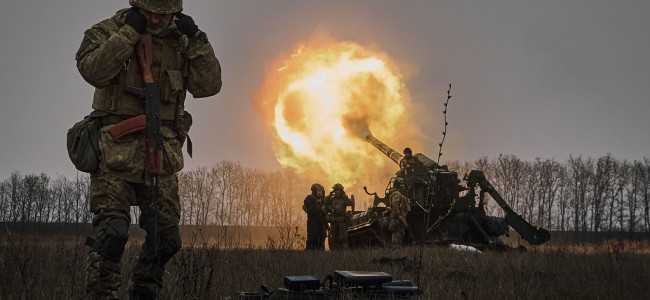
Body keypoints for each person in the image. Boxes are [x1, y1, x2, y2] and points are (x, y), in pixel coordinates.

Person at [75, 0, 221, 299]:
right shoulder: (108, 31)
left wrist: (197, 40)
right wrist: (129, 32)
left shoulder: (182, 41)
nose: (156, 20)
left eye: (163, 14)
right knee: (112, 236)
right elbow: (93, 71)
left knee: (166, 241)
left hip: (162, 155)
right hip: (115, 155)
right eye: (150, 13)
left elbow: (209, 85)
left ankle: (143, 292)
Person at [324, 183, 354, 250]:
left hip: (342, 221)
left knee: (342, 237)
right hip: (333, 220)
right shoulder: (331, 199)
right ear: (334, 191)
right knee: (334, 238)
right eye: (336, 190)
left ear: (341, 190)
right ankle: (335, 252)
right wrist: (329, 195)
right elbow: (325, 203)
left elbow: (350, 203)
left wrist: (345, 196)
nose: (337, 192)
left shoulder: (344, 198)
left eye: (339, 190)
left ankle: (344, 252)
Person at [303, 183, 327, 250]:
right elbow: (310, 210)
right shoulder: (309, 199)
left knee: (322, 237)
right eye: (318, 191)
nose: (320, 193)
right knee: (312, 238)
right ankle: (310, 254)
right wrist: (320, 209)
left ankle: (321, 253)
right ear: (314, 191)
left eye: (321, 191)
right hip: (313, 221)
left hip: (322, 221)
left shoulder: (323, 199)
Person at [388, 183, 411, 247]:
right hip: (398, 218)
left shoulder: (399, 194)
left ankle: (397, 248)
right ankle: (395, 249)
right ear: (400, 186)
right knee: (397, 233)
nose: (404, 186)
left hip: (400, 217)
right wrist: (399, 216)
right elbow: (395, 206)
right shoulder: (397, 194)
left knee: (400, 233)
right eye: (403, 185)